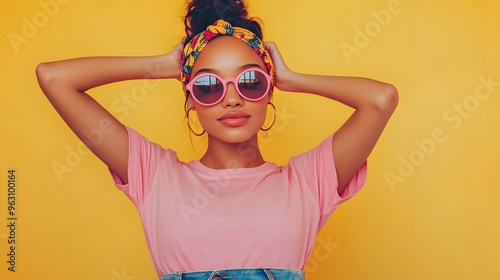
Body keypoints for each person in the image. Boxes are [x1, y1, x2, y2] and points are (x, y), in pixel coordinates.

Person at [36, 0, 398, 279]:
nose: (232, 97)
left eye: (250, 81)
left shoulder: (308, 180)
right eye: (208, 85)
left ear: (269, 91)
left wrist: (290, 78)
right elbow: (54, 78)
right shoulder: (153, 174)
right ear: (191, 100)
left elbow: (380, 100)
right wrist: (161, 65)